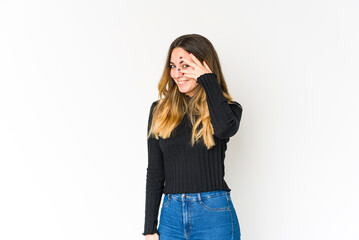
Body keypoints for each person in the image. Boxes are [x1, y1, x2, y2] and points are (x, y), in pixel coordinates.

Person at [143, 34, 243, 240]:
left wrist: (208, 81)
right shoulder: (159, 111)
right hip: (171, 215)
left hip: (214, 214)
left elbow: (225, 130)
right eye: (172, 66)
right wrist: (150, 228)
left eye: (185, 66)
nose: (177, 73)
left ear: (205, 67)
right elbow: (155, 171)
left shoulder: (229, 110)